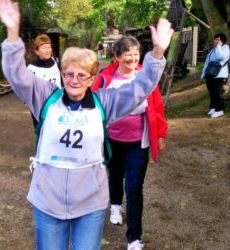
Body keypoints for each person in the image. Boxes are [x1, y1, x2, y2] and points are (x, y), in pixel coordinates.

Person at [0, 0, 173, 249]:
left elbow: (139, 89)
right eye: (68, 73)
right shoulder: (45, 97)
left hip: (90, 203)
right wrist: (13, 34)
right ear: (62, 75)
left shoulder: (104, 103)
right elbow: (17, 75)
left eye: (81, 75)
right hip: (48, 200)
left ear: (92, 78)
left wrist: (156, 55)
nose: (74, 80)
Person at [91, 35, 167, 250]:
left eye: (136, 54)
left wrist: (160, 134)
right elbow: (93, 105)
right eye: (127, 55)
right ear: (116, 56)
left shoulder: (146, 76)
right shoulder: (105, 78)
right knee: (115, 174)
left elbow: (158, 108)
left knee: (134, 186)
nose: (133, 59)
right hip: (112, 139)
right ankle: (115, 205)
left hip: (138, 141)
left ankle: (134, 238)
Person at [27, 34, 62, 127]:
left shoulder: (56, 61)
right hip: (40, 106)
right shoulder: (31, 68)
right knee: (42, 132)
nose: (47, 50)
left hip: (57, 103)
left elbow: (62, 81)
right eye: (43, 48)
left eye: (49, 47)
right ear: (37, 51)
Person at [201, 33, 230, 118]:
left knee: (218, 93)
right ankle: (213, 107)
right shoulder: (213, 49)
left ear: (222, 41)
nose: (216, 41)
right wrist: (204, 74)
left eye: (218, 39)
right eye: (215, 39)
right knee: (212, 92)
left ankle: (220, 109)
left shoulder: (225, 48)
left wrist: (218, 46)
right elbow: (207, 63)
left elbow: (220, 57)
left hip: (220, 75)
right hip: (210, 74)